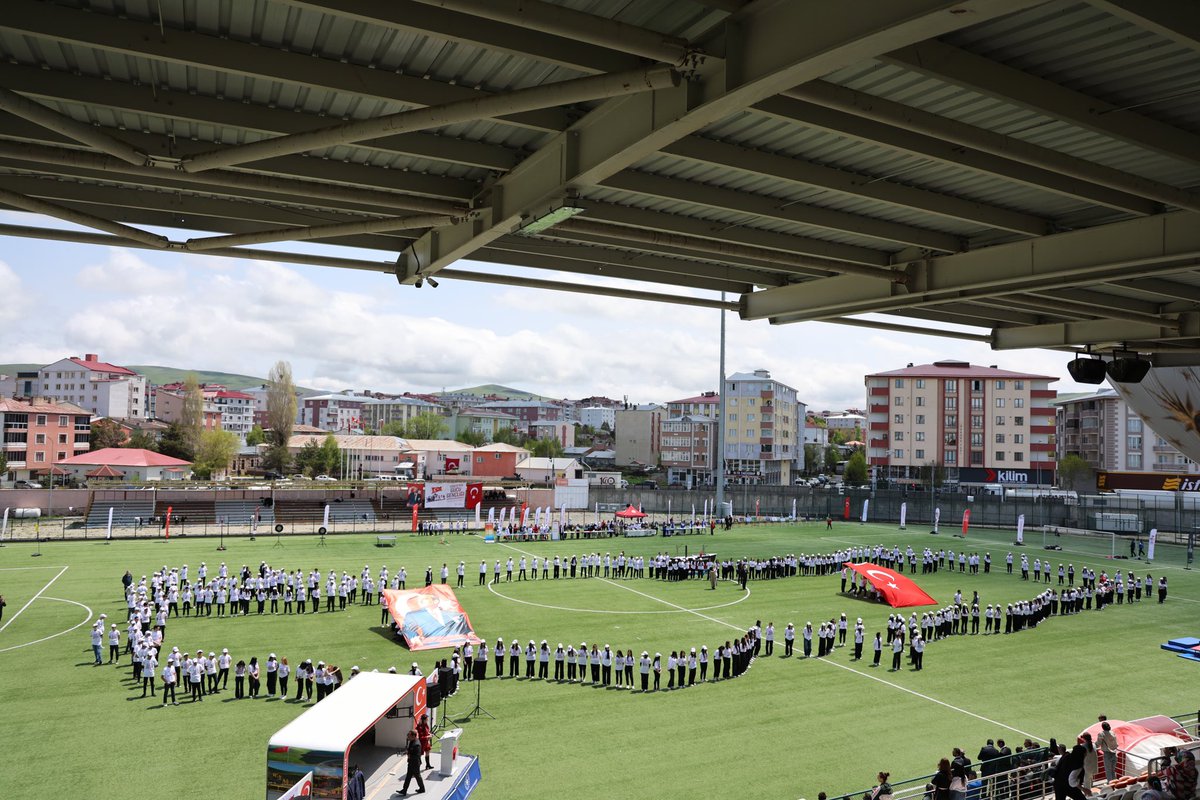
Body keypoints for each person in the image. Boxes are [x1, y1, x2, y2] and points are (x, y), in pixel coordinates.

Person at [399, 729, 426, 796]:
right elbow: (410, 750)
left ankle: (422, 789)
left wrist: (409, 755)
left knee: (417, 776)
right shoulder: (411, 741)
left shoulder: (417, 744)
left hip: (415, 763)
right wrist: (407, 752)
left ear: (413, 736)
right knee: (408, 776)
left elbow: (417, 756)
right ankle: (404, 790)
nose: (408, 737)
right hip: (411, 762)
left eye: (409, 735)